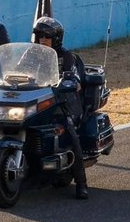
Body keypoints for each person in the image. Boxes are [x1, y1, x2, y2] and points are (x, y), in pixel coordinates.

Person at [32, 16, 90, 199]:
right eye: (40, 35)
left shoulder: (66, 56)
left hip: (62, 103)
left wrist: (70, 82)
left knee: (70, 134)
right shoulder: (31, 54)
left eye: (47, 36)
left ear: (56, 38)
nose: (42, 39)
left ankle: (81, 182)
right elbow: (16, 71)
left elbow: (75, 80)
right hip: (36, 101)